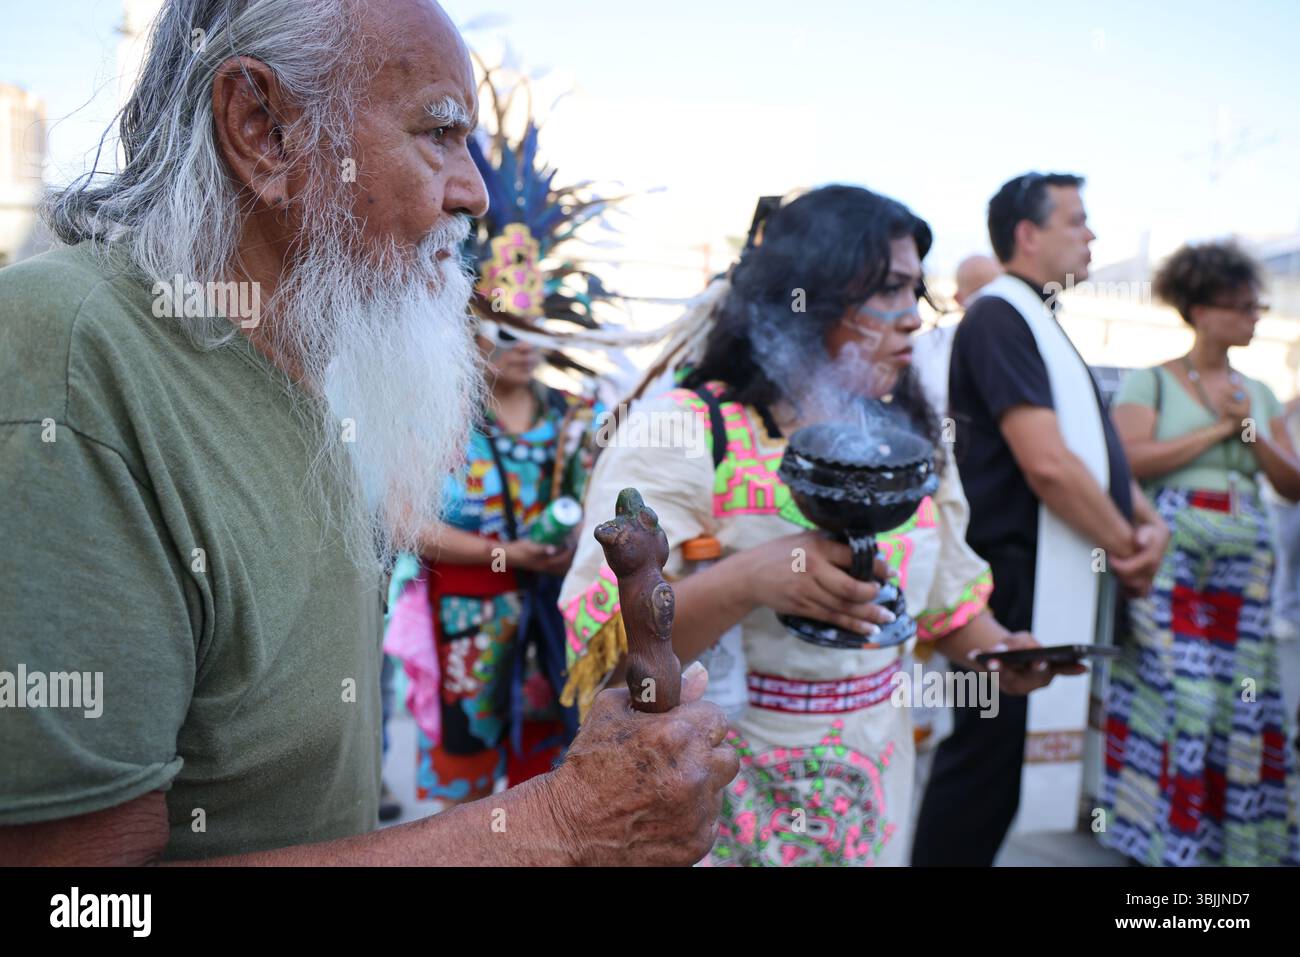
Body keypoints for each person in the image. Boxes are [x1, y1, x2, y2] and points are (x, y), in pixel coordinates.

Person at [0, 0, 735, 866]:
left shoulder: (331, 364)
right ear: (264, 130)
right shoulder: (75, 360)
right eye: (438, 133)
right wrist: (560, 827)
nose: (476, 192)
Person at [559, 185, 1073, 867]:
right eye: (887, 290)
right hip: (724, 795)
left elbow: (942, 603)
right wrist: (748, 579)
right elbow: (601, 654)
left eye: (914, 292)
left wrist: (999, 654)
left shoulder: (912, 445)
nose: (912, 320)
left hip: (872, 795)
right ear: (806, 296)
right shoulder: (684, 433)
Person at [911, 172, 1170, 866]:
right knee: (982, 766)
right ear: (1027, 234)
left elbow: (1096, 446)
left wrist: (1146, 521)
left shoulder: (1035, 317)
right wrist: (1126, 545)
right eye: (1076, 221)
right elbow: (1048, 463)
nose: (1091, 236)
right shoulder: (1000, 315)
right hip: (1011, 576)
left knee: (995, 770)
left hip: (1039, 567)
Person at [1102, 241, 1300, 866]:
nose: (1254, 317)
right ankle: (1165, 844)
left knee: (1244, 697)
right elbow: (1129, 459)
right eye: (1242, 307)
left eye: (1256, 306)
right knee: (1180, 691)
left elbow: (1290, 482)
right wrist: (1219, 429)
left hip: (1247, 549)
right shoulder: (1151, 379)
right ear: (1200, 309)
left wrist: (1247, 429)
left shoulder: (1259, 392)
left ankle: (1234, 844)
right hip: (1172, 545)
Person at [385, 323, 585, 804]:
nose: (524, 346)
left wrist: (575, 546)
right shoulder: (432, 410)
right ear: (467, 330)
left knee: (547, 777)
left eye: (533, 328)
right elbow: (405, 524)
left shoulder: (572, 415)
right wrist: (505, 555)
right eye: (508, 331)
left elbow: (595, 504)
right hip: (463, 617)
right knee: (464, 772)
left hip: (551, 612)